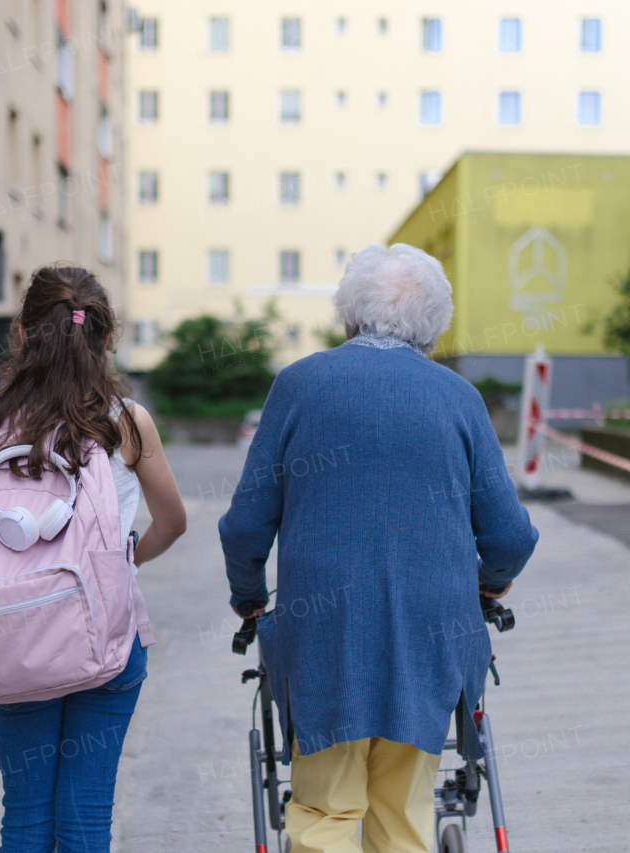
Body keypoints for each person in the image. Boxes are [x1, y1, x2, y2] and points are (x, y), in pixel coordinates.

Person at [219, 243, 538, 853]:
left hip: (325, 637)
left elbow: (243, 527)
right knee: (403, 816)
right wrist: (490, 581)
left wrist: (249, 597)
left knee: (326, 811)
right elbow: (510, 534)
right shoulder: (459, 400)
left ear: (349, 312)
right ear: (434, 324)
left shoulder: (298, 386)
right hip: (430, 635)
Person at [0, 266, 187, 852]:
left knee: (23, 822)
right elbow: (174, 522)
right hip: (107, 642)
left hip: (12, 640)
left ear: (20, 335)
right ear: (106, 339)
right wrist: (126, 561)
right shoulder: (125, 422)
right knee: (85, 820)